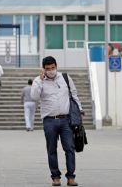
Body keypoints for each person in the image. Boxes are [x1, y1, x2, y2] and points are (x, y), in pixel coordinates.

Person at [30, 56, 83, 187]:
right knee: (51, 149)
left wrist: (79, 110)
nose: (51, 70)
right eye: (48, 69)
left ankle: (71, 177)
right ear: (44, 69)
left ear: (56, 66)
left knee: (70, 148)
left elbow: (74, 94)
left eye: (53, 68)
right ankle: (55, 177)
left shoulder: (65, 78)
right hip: (49, 121)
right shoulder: (38, 81)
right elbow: (34, 97)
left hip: (66, 120)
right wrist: (41, 81)